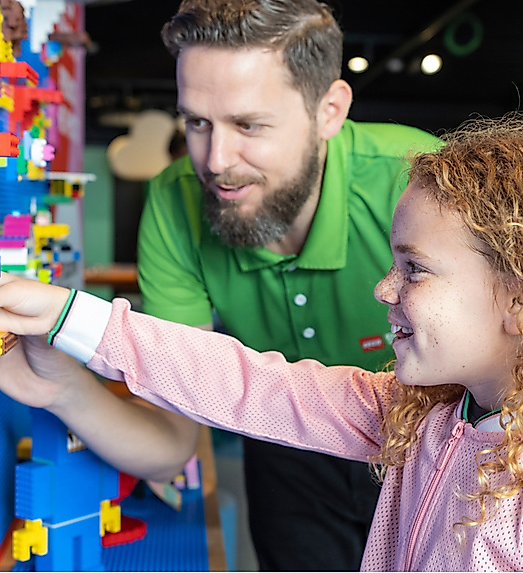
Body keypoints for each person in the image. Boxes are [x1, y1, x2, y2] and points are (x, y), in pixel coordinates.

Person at [0, 115, 523, 571]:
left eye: (415, 269)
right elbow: (255, 387)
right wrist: (71, 316)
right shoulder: (427, 414)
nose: (384, 288)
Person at [135, 0, 441, 569]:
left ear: (329, 111)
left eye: (248, 125)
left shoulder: (419, 179)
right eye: (197, 122)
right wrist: (60, 378)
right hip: (283, 440)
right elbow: (172, 437)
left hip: (433, 436)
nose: (215, 161)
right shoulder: (174, 202)